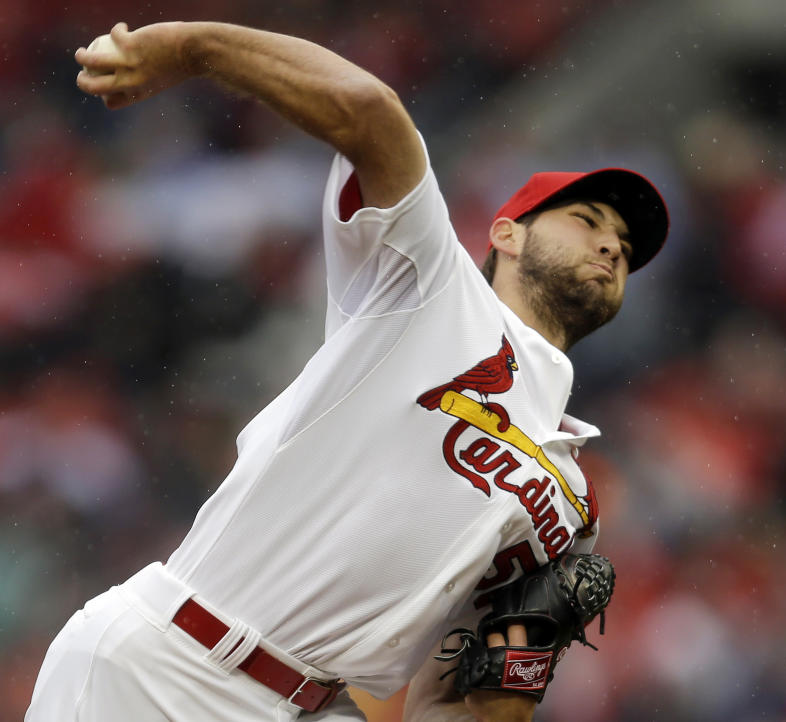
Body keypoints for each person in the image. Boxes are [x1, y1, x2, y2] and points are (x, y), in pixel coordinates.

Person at [27, 20, 668, 722]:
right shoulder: (429, 287)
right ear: (507, 232)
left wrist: (510, 682)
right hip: (167, 668)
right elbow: (368, 111)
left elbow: (455, 706)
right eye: (586, 218)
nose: (612, 242)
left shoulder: (570, 501)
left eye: (627, 243)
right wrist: (191, 49)